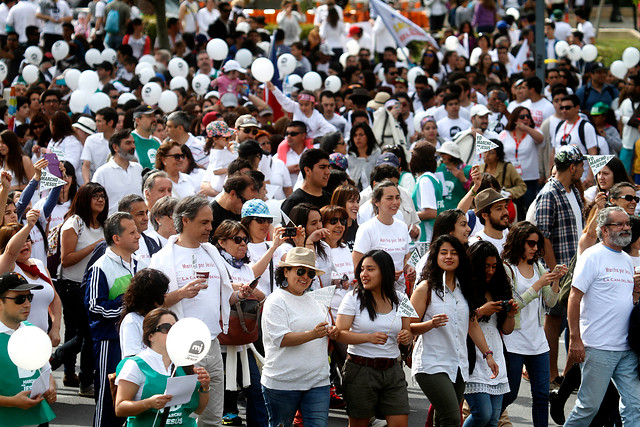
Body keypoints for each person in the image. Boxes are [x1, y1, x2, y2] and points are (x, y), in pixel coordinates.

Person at [149, 195, 253, 427]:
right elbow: (150, 304)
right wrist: (180, 294)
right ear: (185, 221)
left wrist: (240, 295)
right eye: (204, 222)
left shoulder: (211, 252)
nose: (210, 228)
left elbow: (226, 295)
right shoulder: (162, 258)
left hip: (213, 344)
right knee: (181, 416)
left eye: (211, 222)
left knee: (213, 418)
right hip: (180, 348)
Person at [410, 235, 498, 427]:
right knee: (452, 419)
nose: (448, 256)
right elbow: (407, 326)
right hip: (431, 363)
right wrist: (430, 324)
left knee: (442, 420)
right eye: (443, 253)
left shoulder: (464, 288)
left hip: (458, 364)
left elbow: (472, 324)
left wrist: (488, 354)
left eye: (453, 253)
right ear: (435, 257)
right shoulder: (425, 288)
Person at [564, 206, 640, 425]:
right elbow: (574, 298)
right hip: (598, 348)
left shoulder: (626, 260)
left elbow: (627, 303)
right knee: (588, 407)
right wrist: (575, 339)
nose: (626, 228)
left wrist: (636, 293)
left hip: (626, 349)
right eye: (620, 224)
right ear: (604, 230)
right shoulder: (592, 256)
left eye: (628, 224)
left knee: (635, 405)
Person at [335, 250, 412, 427]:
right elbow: (340, 333)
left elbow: (407, 332)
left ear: (384, 272)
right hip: (361, 369)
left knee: (400, 423)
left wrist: (407, 336)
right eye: (362, 269)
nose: (364, 274)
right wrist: (368, 337)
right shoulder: (352, 298)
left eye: (370, 269)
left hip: (393, 369)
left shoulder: (402, 299)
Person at [501, 221, 568, 426]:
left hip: (537, 341)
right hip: (514, 340)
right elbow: (513, 305)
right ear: (519, 241)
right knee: (510, 395)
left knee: (541, 397)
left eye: (537, 244)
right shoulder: (507, 269)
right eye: (530, 243)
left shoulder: (538, 267)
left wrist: (555, 280)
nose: (535, 248)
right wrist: (538, 285)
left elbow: (551, 302)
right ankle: (487, 418)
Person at [261, 246, 336, 427]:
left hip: (318, 381)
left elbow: (328, 328)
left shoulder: (316, 299)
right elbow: (281, 339)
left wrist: (332, 331)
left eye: (310, 274)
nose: (305, 277)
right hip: (283, 383)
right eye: (300, 271)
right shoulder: (275, 300)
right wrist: (313, 334)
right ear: (285, 271)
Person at [534, 145, 584, 384]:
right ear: (572, 167)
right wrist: (557, 275)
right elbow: (543, 237)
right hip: (561, 271)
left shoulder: (572, 191)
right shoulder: (549, 193)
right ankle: (551, 376)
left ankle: (567, 376)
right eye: (581, 165)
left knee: (573, 323)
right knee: (553, 323)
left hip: (577, 268)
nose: (584, 170)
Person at [85, 211, 140, 427]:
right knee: (109, 398)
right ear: (116, 238)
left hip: (136, 339)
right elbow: (95, 307)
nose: (138, 236)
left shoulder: (138, 263)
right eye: (132, 232)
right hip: (110, 341)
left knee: (133, 393)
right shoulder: (100, 267)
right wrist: (128, 304)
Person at [55, 182, 109, 396]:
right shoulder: (74, 222)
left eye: (103, 196)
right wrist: (94, 247)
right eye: (95, 195)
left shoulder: (105, 225)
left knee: (79, 332)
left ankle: (63, 368)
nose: (100, 199)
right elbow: (66, 260)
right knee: (87, 334)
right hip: (71, 286)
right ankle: (85, 382)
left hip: (93, 287)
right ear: (84, 199)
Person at [115, 308, 212, 425]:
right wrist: (148, 403)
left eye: (176, 328)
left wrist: (205, 387)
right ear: (150, 336)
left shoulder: (185, 363)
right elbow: (120, 408)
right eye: (166, 328)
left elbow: (198, 410)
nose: (173, 332)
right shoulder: (135, 365)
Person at [464, 241, 516, 427]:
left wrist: (509, 315)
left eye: (494, 266)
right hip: (472, 355)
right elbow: (460, 323)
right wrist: (480, 312)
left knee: (494, 419)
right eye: (486, 266)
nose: (491, 271)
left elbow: (507, 330)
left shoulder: (499, 287)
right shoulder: (464, 287)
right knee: (482, 414)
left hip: (496, 354)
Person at [0, 271, 57, 426]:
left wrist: (51, 386)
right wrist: (12, 401)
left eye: (29, 298)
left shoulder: (33, 332)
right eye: (19, 299)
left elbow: (46, 370)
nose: (27, 304)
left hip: (38, 418)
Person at [0, 209, 61, 343]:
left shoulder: (39, 264)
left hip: (41, 342)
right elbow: (11, 252)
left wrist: (55, 328)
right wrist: (28, 226)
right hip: (14, 342)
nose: (25, 243)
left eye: (28, 239)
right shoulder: (6, 268)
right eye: (20, 240)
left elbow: (55, 299)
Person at [353, 181, 414, 293]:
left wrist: (409, 269)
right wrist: (384, 275)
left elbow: (405, 258)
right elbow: (357, 264)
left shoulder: (402, 226)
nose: (395, 202)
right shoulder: (367, 228)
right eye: (389, 198)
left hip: (399, 293)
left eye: (397, 198)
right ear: (376, 202)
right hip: (375, 293)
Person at [500, 106, 544, 211]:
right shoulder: (504, 134)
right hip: (510, 179)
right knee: (512, 209)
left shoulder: (534, 132)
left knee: (529, 208)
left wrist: (527, 129)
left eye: (528, 116)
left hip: (529, 179)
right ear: (515, 119)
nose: (525, 119)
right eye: (522, 117)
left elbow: (541, 140)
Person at [120, 269, 170, 358]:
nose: (165, 296)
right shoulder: (132, 320)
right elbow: (133, 358)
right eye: (162, 293)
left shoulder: (162, 317)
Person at [92, 129, 143, 214]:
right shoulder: (102, 172)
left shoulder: (138, 169)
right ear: (115, 147)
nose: (133, 146)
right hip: (112, 224)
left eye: (133, 143)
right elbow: (94, 201)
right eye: (128, 143)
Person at [411, 141, 444, 243]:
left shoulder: (425, 181)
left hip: (426, 238)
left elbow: (431, 213)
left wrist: (408, 216)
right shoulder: (432, 178)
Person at [281, 149, 331, 215]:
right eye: (322, 167)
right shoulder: (293, 203)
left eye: (328, 167)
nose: (328, 172)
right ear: (307, 170)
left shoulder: (331, 198)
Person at [436, 142, 472, 211]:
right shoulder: (439, 169)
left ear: (451, 155)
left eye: (444, 154)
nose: (441, 156)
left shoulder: (469, 170)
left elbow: (475, 192)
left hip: (460, 212)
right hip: (442, 212)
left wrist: (464, 180)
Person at [347, 122, 380, 191]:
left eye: (361, 135)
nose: (358, 138)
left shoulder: (378, 154)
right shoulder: (349, 158)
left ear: (368, 136)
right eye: (355, 135)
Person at [331, 184, 360, 250]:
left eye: (357, 201)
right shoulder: (331, 230)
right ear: (340, 202)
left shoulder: (360, 230)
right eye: (351, 201)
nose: (356, 205)